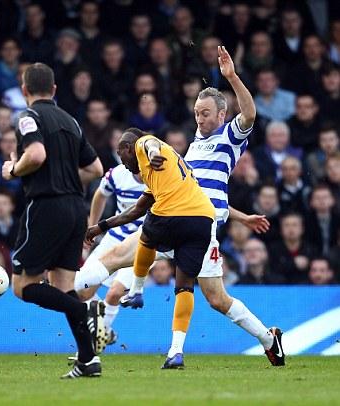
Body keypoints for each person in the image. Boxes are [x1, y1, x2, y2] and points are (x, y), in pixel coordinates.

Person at [79, 47, 284, 368]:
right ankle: (79, 297)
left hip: (202, 229)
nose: (199, 118)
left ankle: (268, 339)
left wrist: (231, 77)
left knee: (217, 299)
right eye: (196, 113)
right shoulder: (191, 147)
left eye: (205, 113)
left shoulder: (229, 136)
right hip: (175, 219)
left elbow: (250, 114)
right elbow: (194, 190)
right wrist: (243, 216)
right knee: (115, 255)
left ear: (221, 114)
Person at [0, 63, 105, 379]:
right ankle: (88, 360)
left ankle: (80, 311)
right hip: (76, 208)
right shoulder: (70, 121)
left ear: (24, 90)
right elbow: (96, 169)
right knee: (63, 286)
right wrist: (66, 179)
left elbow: (36, 155)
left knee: (22, 287)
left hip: (47, 207)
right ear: (55, 90)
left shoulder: (28, 117)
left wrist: (13, 170)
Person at [85, 129, 216, 371]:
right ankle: (176, 352)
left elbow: (150, 144)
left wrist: (153, 153)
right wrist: (100, 226)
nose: (123, 163)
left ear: (127, 147)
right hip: (203, 219)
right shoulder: (160, 177)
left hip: (172, 213)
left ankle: (136, 290)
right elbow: (134, 210)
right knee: (185, 286)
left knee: (146, 235)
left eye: (121, 155)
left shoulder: (143, 144)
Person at [75, 163, 146, 345]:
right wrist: (93, 226)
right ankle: (104, 330)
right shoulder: (118, 174)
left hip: (142, 243)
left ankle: (97, 339)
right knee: (82, 291)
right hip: (113, 239)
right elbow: (100, 195)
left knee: (114, 293)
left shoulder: (158, 175)